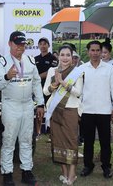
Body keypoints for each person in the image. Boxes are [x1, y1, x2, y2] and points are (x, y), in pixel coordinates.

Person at [0, 31, 44, 186]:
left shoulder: (30, 60)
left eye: (22, 45)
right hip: (11, 105)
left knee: (27, 139)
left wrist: (40, 103)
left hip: (28, 105)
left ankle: (26, 171)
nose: (20, 48)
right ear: (10, 44)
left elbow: (36, 83)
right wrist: (7, 76)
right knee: (9, 140)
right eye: (17, 44)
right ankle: (7, 173)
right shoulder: (1, 62)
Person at [43, 45, 83, 185]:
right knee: (58, 141)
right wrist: (54, 84)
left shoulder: (77, 72)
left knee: (71, 141)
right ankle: (64, 173)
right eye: (62, 55)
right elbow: (46, 91)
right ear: (58, 56)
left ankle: (72, 175)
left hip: (71, 109)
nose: (65, 58)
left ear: (72, 57)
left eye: (68, 55)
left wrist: (63, 83)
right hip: (55, 110)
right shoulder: (52, 71)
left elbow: (78, 92)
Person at [79, 40, 113, 179]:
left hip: (104, 110)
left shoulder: (109, 69)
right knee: (88, 141)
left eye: (97, 50)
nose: (95, 53)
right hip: (87, 110)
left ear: (101, 52)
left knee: (105, 141)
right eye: (92, 50)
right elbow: (79, 90)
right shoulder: (82, 69)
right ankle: (88, 165)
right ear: (88, 52)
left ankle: (106, 167)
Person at [34, 37, 58, 138]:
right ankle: (38, 132)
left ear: (48, 45)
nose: (43, 46)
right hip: (38, 89)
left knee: (51, 110)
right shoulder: (35, 59)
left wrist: (37, 77)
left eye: (45, 44)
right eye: (41, 44)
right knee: (39, 110)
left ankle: (52, 133)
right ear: (38, 46)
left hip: (50, 89)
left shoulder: (53, 58)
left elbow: (50, 72)